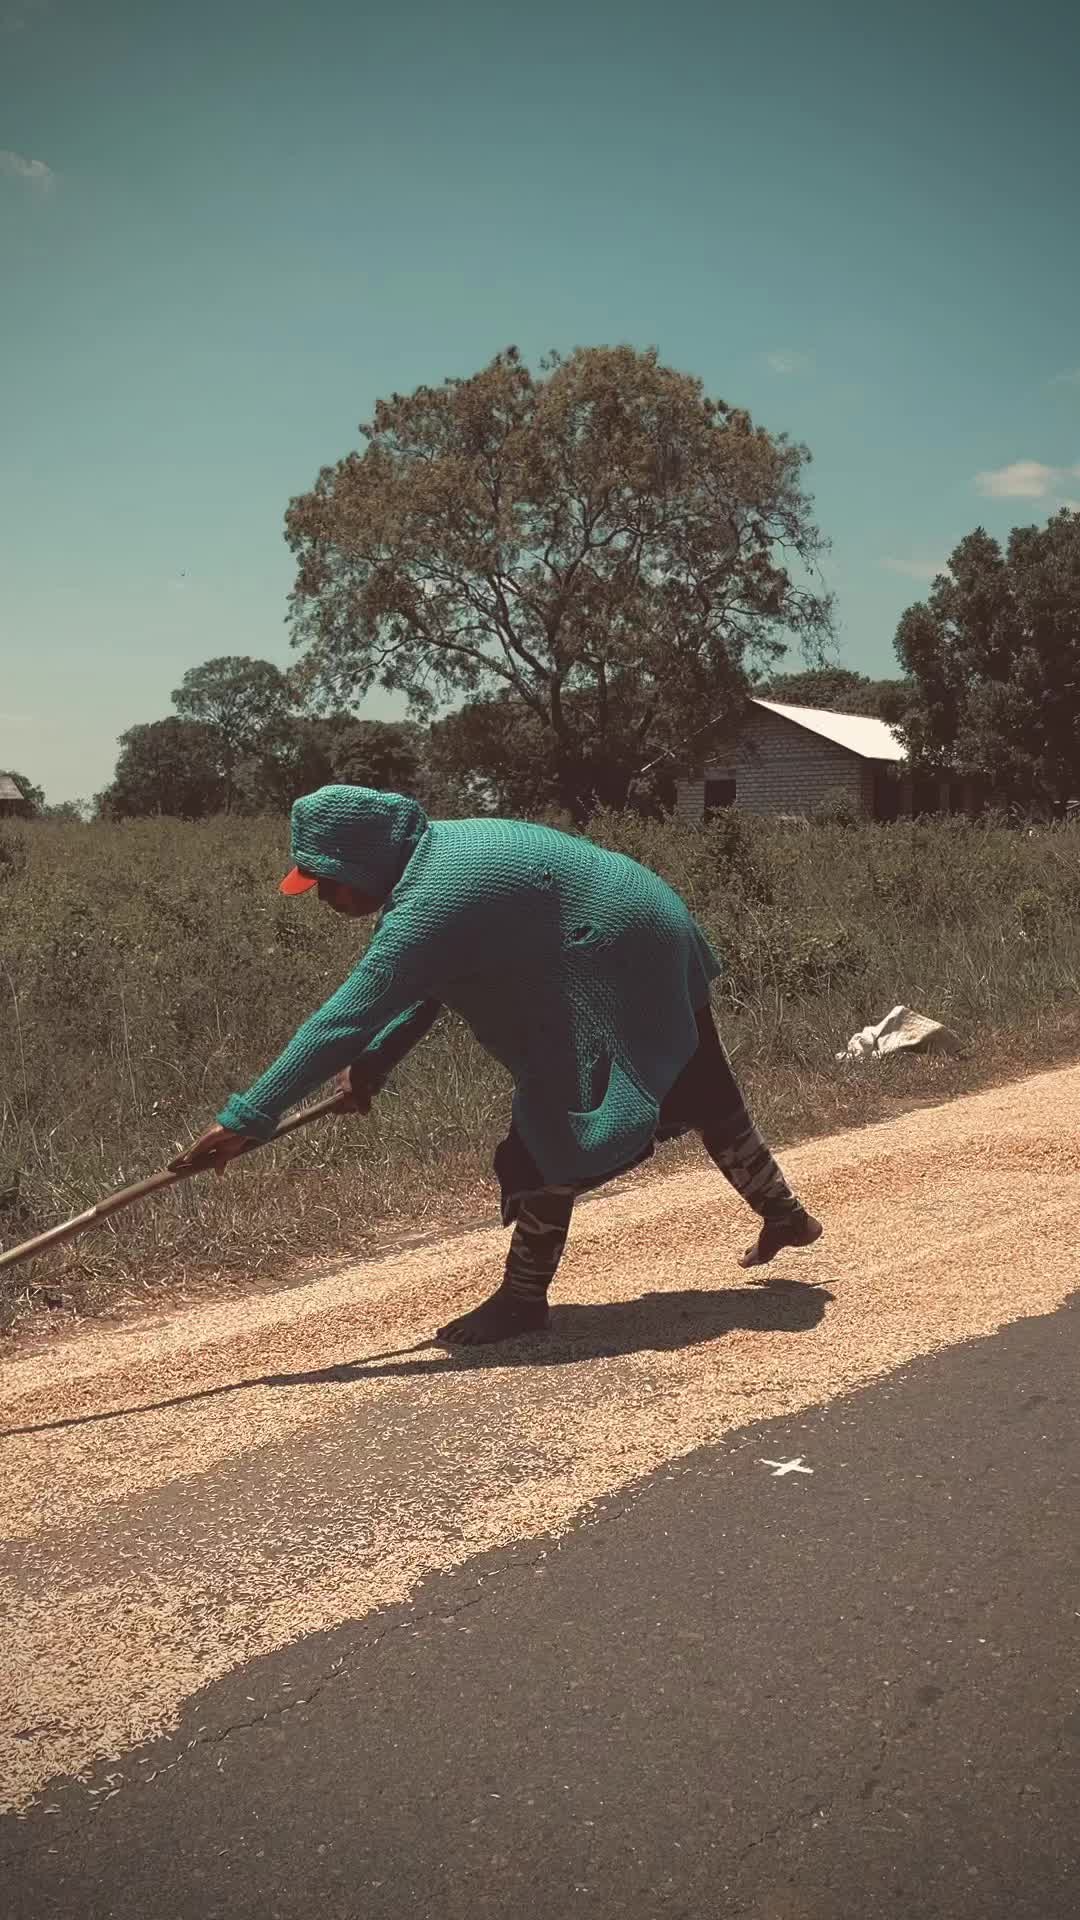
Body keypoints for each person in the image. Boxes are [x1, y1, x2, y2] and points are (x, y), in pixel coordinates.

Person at [171, 786, 822, 1345]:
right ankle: (784, 1214)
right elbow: (422, 989)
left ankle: (522, 1298)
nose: (323, 898)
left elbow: (344, 1020)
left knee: (555, 1123)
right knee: (704, 1086)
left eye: (325, 881)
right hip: (646, 916)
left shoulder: (433, 897)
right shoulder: (432, 859)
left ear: (359, 861)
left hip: (618, 945)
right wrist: (375, 1065)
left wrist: (248, 1118)